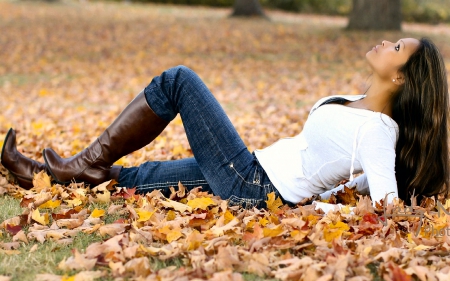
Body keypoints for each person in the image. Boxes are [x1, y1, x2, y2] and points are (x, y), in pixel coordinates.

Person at [1, 37, 448, 208]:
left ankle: (79, 163)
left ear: (400, 75)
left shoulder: (379, 130)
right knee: (136, 178)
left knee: (179, 82)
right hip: (253, 171)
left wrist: (318, 207)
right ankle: (36, 175)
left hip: (254, 185)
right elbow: (355, 181)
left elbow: (386, 202)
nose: (386, 41)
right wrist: (329, 193)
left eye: (396, 48)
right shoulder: (357, 102)